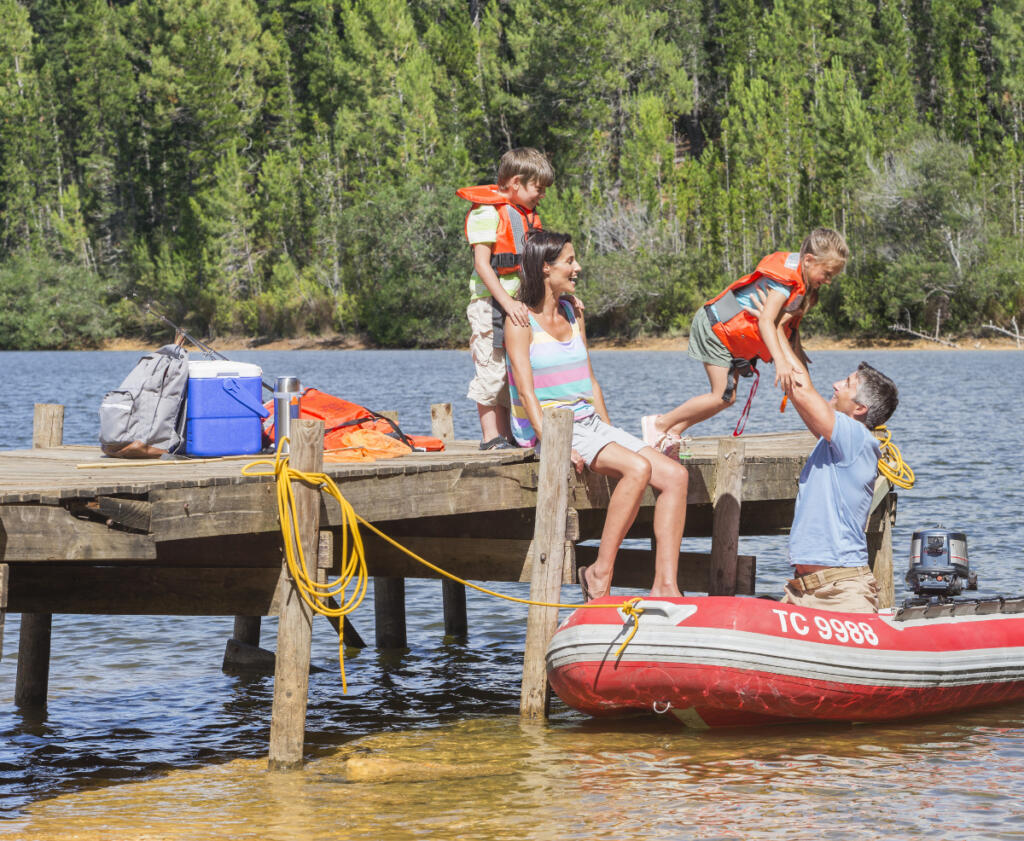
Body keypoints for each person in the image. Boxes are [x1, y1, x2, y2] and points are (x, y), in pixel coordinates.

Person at [505, 230, 689, 601]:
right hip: (557, 429)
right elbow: (525, 392)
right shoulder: (519, 321)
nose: (578, 267)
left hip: (590, 423)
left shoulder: (573, 311)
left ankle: (665, 587)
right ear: (545, 267)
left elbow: (589, 379)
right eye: (569, 261)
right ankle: (599, 575)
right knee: (638, 469)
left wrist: (608, 428)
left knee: (676, 475)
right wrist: (554, 447)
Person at [640, 228, 849, 454]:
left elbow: (786, 326)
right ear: (808, 260)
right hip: (715, 327)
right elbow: (766, 322)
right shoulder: (785, 282)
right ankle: (658, 424)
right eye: (827, 273)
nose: (828, 281)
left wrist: (797, 355)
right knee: (722, 395)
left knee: (726, 398)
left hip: (728, 334)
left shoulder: (801, 283)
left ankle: (672, 432)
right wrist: (780, 361)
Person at [779, 356, 899, 612]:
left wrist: (769, 324)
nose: (835, 384)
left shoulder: (855, 437)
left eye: (846, 384)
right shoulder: (833, 441)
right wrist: (784, 331)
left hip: (841, 592)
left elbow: (804, 390)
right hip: (801, 589)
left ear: (860, 408)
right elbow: (796, 388)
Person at [457, 148, 554, 450]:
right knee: (492, 369)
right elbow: (482, 264)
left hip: (518, 306)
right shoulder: (486, 212)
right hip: (490, 305)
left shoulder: (525, 215)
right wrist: (507, 302)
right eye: (538, 188)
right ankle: (491, 438)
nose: (543, 196)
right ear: (516, 183)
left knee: (514, 370)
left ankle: (509, 436)